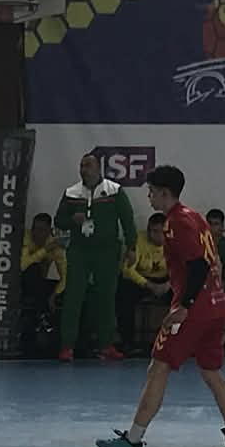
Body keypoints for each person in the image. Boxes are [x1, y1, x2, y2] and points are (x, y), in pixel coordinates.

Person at [97, 166, 225, 447]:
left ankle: (132, 441)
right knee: (211, 373)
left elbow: (198, 266)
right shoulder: (196, 217)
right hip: (216, 305)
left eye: (151, 191)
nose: (149, 196)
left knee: (158, 368)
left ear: (164, 193)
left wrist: (185, 306)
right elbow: (213, 261)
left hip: (194, 311)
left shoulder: (176, 223)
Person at [55, 154, 135, 363]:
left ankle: (106, 345)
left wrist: (132, 246)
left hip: (107, 252)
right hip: (79, 251)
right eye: (82, 166)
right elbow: (58, 220)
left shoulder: (114, 191)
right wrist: (72, 220)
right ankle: (67, 346)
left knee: (106, 297)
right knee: (73, 297)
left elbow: (127, 219)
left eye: (88, 165)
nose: (84, 169)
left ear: (99, 168)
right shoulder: (71, 193)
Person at [116, 213, 170, 356]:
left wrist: (167, 285)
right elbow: (128, 271)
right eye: (154, 231)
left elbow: (182, 270)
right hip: (141, 280)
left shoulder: (175, 241)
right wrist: (148, 285)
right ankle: (128, 343)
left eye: (162, 232)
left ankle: (179, 342)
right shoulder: (138, 239)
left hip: (167, 281)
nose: (158, 236)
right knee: (123, 294)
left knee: (186, 297)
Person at [20, 213, 68, 356]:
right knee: (34, 269)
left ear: (49, 231)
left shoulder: (55, 245)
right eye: (34, 229)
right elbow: (22, 266)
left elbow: (66, 276)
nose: (36, 233)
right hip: (20, 282)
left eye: (41, 230)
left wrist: (54, 295)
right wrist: (45, 250)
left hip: (39, 286)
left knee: (61, 289)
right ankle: (43, 316)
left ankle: (60, 339)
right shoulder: (26, 237)